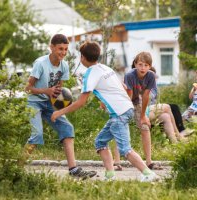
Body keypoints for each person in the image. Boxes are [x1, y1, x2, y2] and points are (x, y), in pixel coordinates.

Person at [51, 41, 159, 182]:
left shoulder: (90, 74)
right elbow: (121, 85)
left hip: (119, 113)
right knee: (100, 142)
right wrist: (104, 99)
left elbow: (81, 102)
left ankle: (148, 174)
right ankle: (110, 176)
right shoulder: (105, 68)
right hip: (126, 109)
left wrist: (59, 112)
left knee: (125, 149)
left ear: (82, 57)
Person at [21, 34, 96, 179]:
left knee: (68, 128)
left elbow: (58, 89)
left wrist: (59, 105)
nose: (63, 52)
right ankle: (17, 167)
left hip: (49, 103)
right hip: (34, 102)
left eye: (66, 49)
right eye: (60, 49)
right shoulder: (41, 63)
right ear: (52, 47)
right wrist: (46, 91)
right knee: (37, 134)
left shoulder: (64, 66)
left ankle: (73, 170)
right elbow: (27, 88)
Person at [124, 52, 162, 170]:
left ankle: (149, 162)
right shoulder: (129, 75)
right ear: (135, 64)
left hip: (140, 102)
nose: (143, 68)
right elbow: (128, 96)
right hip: (127, 101)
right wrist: (125, 112)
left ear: (150, 66)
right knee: (120, 125)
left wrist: (143, 116)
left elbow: (146, 96)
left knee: (145, 127)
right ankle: (116, 161)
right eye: (140, 64)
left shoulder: (151, 76)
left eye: (146, 65)